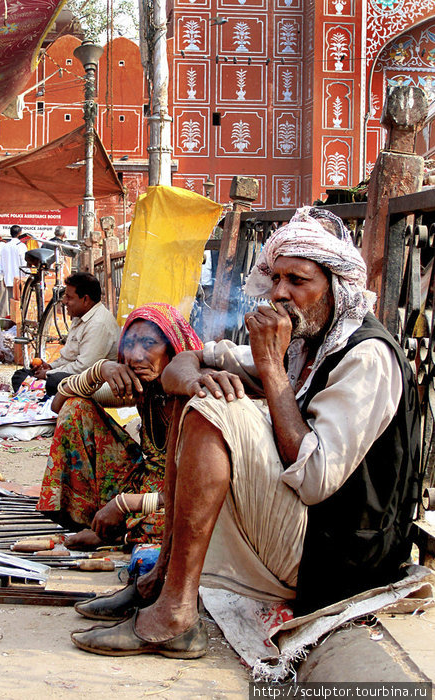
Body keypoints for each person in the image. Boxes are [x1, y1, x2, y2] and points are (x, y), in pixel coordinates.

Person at [71, 207, 421, 659]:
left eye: (298, 281)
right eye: (276, 279)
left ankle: (176, 614)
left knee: (215, 408)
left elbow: (315, 480)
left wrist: (271, 368)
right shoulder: (304, 343)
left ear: (336, 287)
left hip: (341, 557)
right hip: (306, 535)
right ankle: (162, 579)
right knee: (198, 394)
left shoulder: (365, 356)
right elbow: (183, 363)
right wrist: (196, 376)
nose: (280, 294)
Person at [37, 302, 203, 549]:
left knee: (186, 521)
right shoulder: (144, 388)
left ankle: (114, 534)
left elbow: (197, 491)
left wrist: (123, 504)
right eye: (129, 344)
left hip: (179, 496)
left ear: (174, 349)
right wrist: (99, 370)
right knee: (76, 408)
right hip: (144, 484)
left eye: (149, 344)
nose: (136, 355)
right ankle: (96, 521)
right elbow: (60, 403)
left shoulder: (195, 397)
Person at [11, 272, 120, 396]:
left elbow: (83, 368)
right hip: (72, 375)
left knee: (53, 382)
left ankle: (36, 391)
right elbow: (68, 358)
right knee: (19, 375)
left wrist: (48, 374)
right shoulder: (79, 316)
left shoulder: (99, 323)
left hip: (91, 382)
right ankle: (36, 390)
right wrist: (50, 367)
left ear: (85, 299)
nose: (64, 301)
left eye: (69, 297)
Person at [0, 224, 27, 313]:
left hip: (9, 279)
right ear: (20, 233)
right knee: (20, 302)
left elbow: (1, 263)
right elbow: (24, 263)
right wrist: (27, 275)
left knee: (11, 302)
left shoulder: (5, 246)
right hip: (20, 279)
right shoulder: (21, 246)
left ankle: (12, 320)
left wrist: (3, 276)